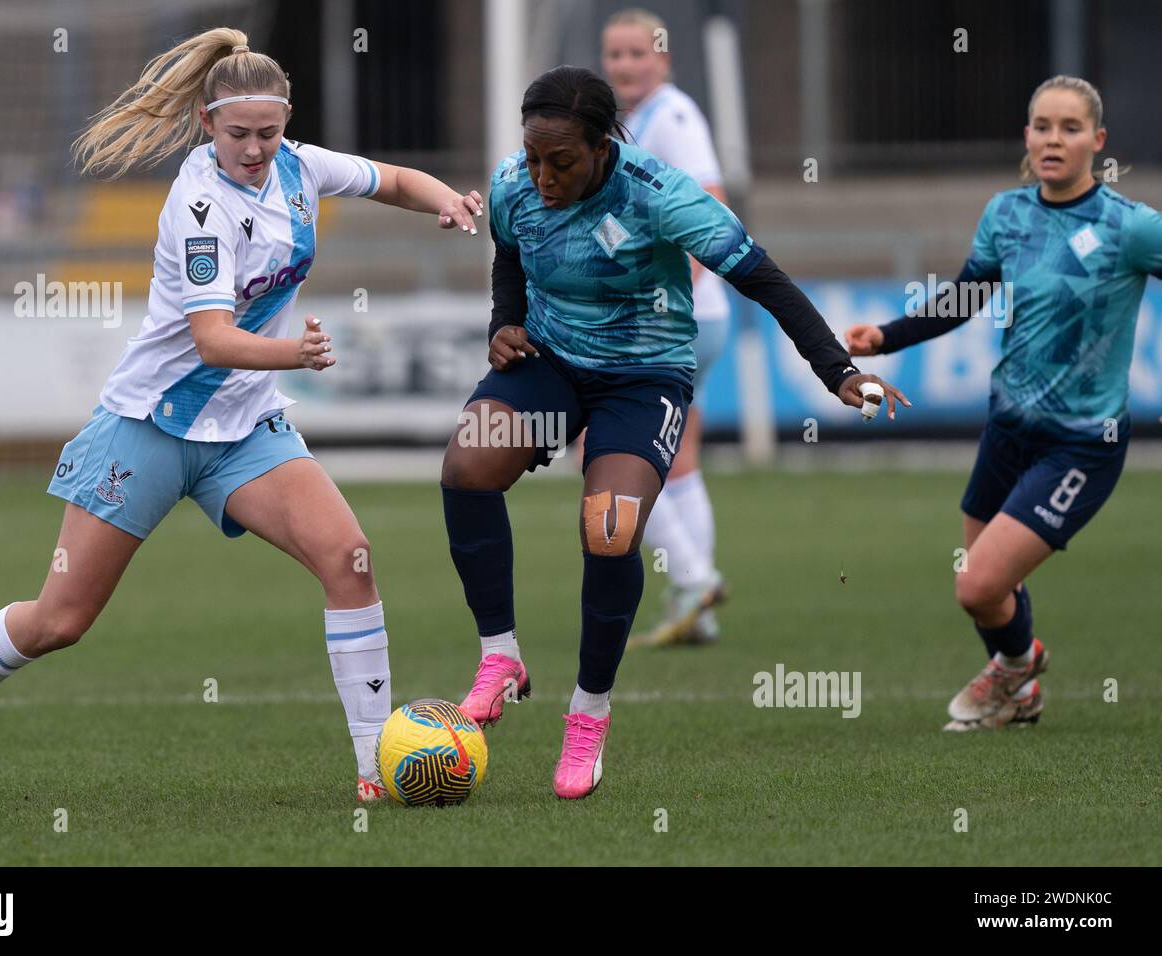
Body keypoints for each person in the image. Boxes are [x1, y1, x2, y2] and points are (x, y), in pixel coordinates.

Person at [0, 27, 484, 803]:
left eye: (269, 132)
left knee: (351, 560)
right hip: (151, 427)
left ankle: (376, 768)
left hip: (244, 431)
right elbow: (212, 338)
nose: (255, 149)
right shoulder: (198, 205)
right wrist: (295, 357)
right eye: (238, 134)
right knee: (62, 619)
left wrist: (447, 200)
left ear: (287, 121)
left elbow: (394, 179)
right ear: (207, 125)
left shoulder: (301, 169)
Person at [441, 65, 906, 798]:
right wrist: (504, 323)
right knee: (467, 466)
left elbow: (763, 278)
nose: (541, 176)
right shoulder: (512, 183)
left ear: (603, 147)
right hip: (553, 363)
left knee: (610, 526)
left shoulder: (660, 195)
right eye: (532, 158)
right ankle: (500, 658)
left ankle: (589, 713)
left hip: (643, 376)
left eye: (560, 162)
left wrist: (838, 371)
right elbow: (510, 258)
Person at [845, 75, 1162, 731]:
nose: (1053, 139)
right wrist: (887, 337)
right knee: (987, 592)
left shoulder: (1130, 228)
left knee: (977, 584)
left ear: (1097, 142)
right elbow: (967, 295)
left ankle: (1013, 672)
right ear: (1027, 136)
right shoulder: (1007, 214)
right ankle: (1019, 689)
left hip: (1081, 443)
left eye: (1070, 128)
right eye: (1042, 126)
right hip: (1008, 427)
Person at [599, 8, 733, 645]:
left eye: (637, 54)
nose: (626, 65)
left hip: (675, 320)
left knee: (603, 451)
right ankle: (697, 609)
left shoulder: (673, 116)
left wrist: (667, 304)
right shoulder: (639, 121)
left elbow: (710, 207)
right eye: (616, 55)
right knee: (678, 457)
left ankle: (693, 574)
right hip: (692, 320)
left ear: (664, 59)